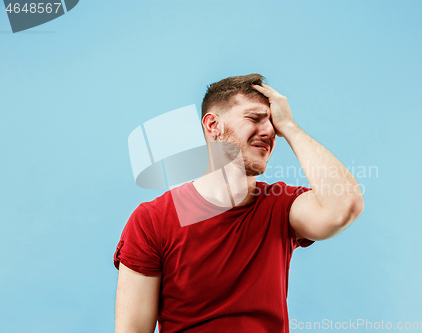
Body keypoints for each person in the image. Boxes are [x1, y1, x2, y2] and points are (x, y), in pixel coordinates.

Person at [114, 74, 364, 333]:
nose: (268, 131)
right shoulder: (152, 220)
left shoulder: (282, 206)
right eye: (254, 118)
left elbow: (344, 206)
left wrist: (290, 126)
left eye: (274, 125)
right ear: (213, 126)